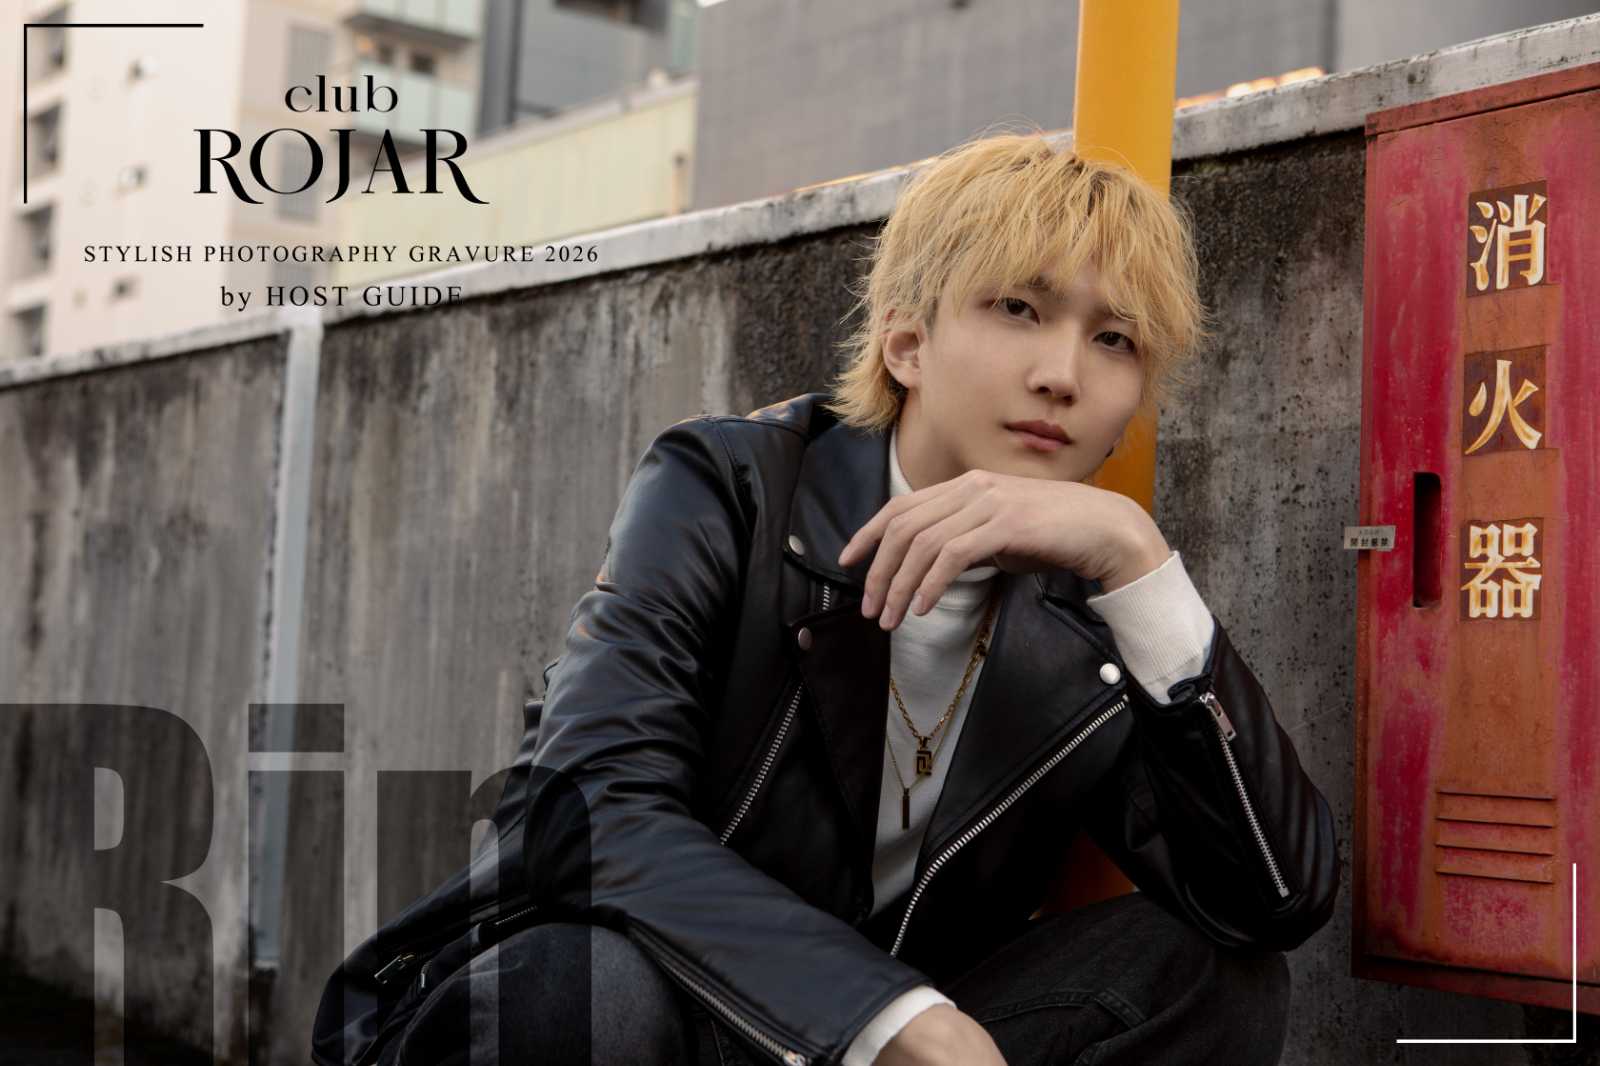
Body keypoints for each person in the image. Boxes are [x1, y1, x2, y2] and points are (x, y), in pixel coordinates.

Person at [381, 128, 1340, 1066]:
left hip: (905, 1034)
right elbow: (592, 811)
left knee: (1212, 973)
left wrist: (1139, 562)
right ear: (907, 343)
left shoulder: (1094, 606)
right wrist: (882, 1012)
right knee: (592, 987)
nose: (1062, 376)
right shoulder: (735, 489)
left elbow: (1273, 902)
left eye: (1114, 339)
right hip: (678, 1006)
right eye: (1017, 308)